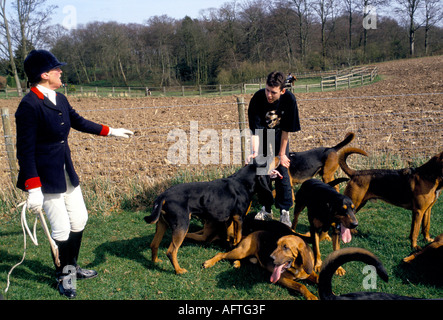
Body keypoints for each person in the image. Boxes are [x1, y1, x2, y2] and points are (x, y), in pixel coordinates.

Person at [15, 49, 134, 299]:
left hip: (66, 170)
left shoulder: (60, 99)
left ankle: (73, 265)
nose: (61, 71)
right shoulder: (29, 104)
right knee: (60, 229)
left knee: (79, 219)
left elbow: (79, 122)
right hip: (44, 177)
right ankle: (64, 275)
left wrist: (111, 131)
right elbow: (25, 152)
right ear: (44, 74)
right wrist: (33, 188)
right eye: (57, 69)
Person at [247, 71, 300, 227]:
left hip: (279, 136)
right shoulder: (257, 99)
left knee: (282, 169)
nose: (269, 95)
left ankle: (284, 212)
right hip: (263, 135)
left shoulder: (289, 100)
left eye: (273, 92)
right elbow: (255, 130)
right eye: (267, 90)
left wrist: (282, 154)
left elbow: (286, 131)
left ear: (282, 91)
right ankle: (266, 209)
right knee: (263, 169)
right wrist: (255, 153)